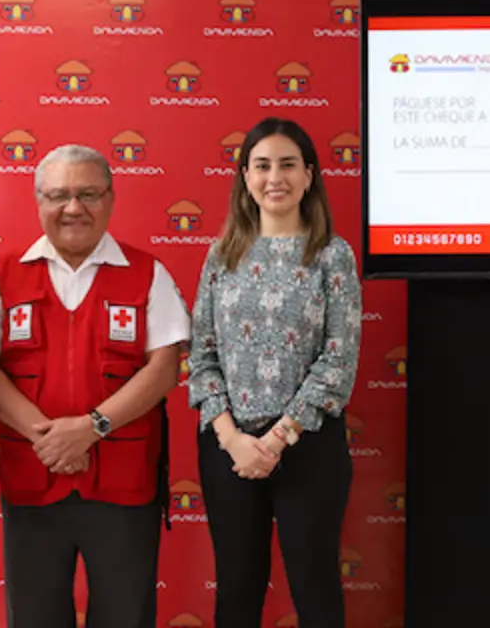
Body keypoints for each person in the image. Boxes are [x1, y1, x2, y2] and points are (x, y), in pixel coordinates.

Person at [0, 143, 189, 628]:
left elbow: (165, 367)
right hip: (32, 475)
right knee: (34, 616)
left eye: (89, 193)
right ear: (38, 201)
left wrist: (91, 427)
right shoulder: (0, 275)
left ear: (111, 198)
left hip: (123, 483)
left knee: (125, 615)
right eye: (58, 195)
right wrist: (47, 437)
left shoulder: (148, 273)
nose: (73, 208)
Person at [187, 117, 362, 628]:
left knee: (316, 591)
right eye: (261, 165)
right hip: (229, 448)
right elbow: (202, 356)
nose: (274, 177)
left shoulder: (333, 255)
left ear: (309, 175)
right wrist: (233, 438)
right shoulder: (221, 256)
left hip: (308, 445)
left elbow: (338, 360)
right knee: (238, 590)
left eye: (288, 164)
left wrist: (277, 439)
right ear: (245, 176)